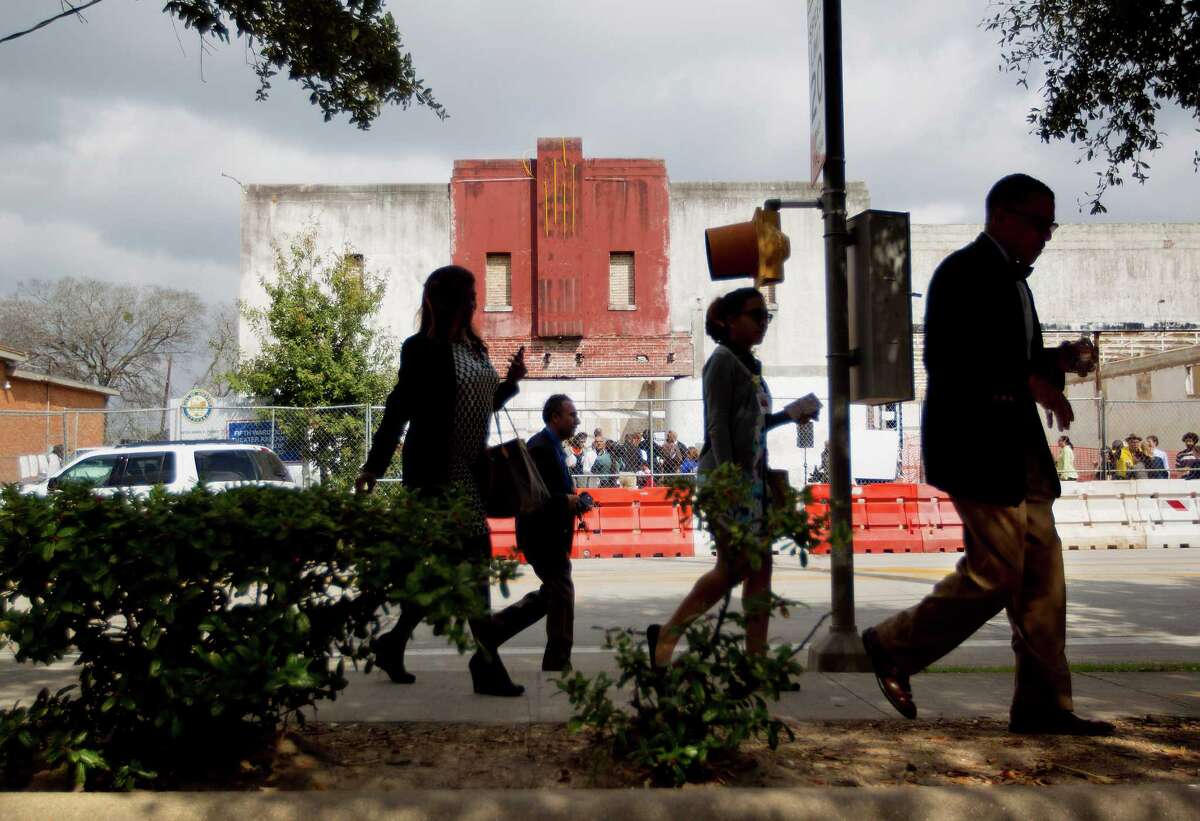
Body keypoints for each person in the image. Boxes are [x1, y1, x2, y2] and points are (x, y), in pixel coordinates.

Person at [861, 174, 1114, 736]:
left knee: (1042, 582)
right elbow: (954, 363)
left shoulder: (1016, 283)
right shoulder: (962, 272)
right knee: (998, 572)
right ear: (1001, 217)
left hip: (1020, 451)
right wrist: (1031, 381)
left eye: (1051, 225)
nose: (1046, 236)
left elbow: (1017, 361)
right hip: (977, 449)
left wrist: (1059, 360)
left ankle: (1043, 705)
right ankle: (893, 646)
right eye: (1038, 223)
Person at [355, 264, 529, 698]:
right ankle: (486, 665)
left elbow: (482, 404)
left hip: (470, 472)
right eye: (468, 295)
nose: (475, 302)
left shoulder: (475, 348)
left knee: (441, 572)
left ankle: (394, 644)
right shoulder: (421, 350)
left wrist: (511, 384)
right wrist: (374, 467)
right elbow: (398, 410)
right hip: (436, 476)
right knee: (473, 566)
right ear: (448, 301)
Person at [648, 287, 816, 669]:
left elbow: (753, 425)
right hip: (728, 481)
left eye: (765, 316)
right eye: (755, 315)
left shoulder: (749, 365)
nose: (763, 323)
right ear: (730, 321)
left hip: (751, 482)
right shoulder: (722, 361)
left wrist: (790, 415)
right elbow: (717, 426)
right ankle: (668, 635)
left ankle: (756, 660)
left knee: (759, 567)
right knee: (735, 567)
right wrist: (729, 481)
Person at [477, 395, 581, 673]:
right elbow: (534, 497)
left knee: (554, 594)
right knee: (561, 591)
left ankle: (494, 630)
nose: (576, 420)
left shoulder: (553, 446)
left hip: (552, 535)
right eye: (572, 415)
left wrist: (574, 500)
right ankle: (557, 659)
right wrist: (566, 501)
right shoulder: (540, 448)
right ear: (555, 417)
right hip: (542, 536)